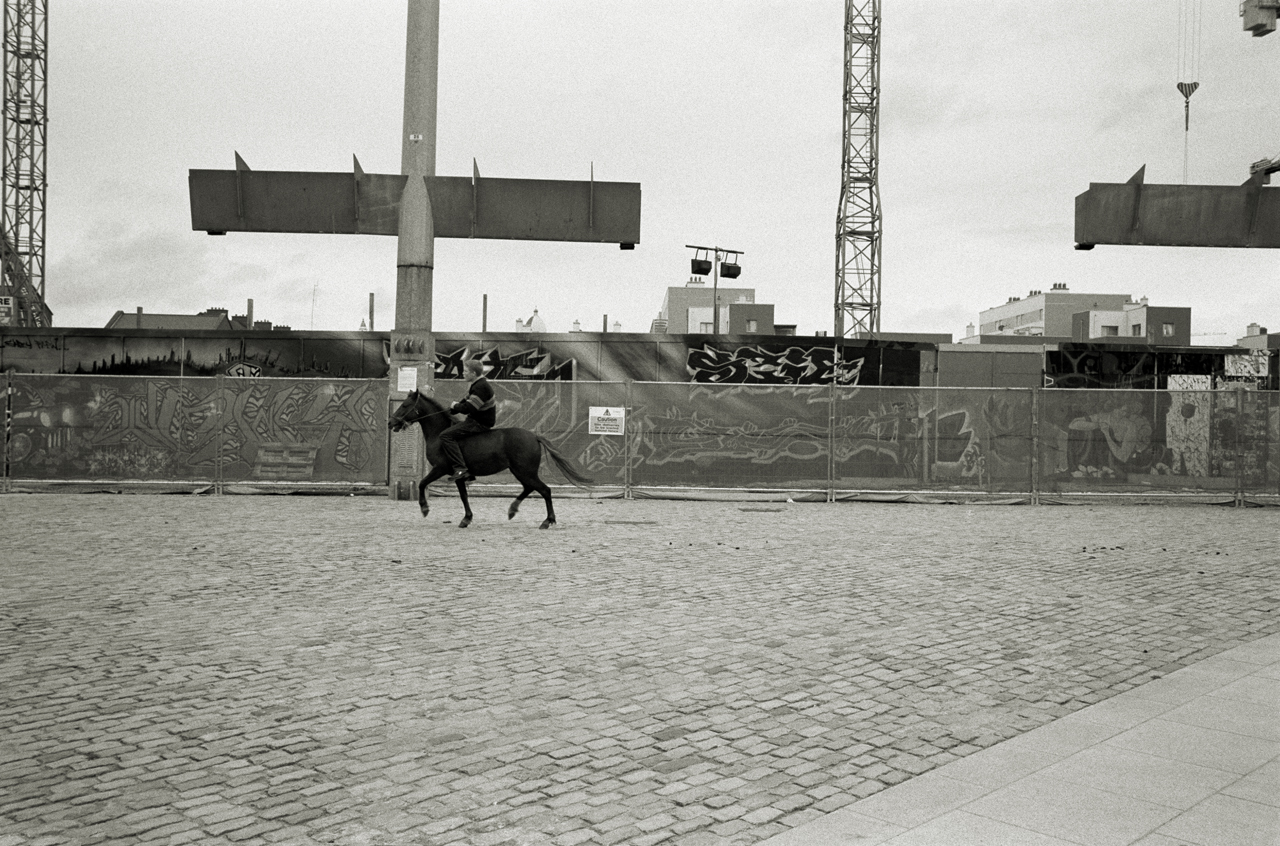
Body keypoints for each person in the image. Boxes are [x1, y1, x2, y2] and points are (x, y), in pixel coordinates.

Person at [440, 359, 495, 483]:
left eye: (465, 371)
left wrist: (456, 407)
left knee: (445, 436)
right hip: (475, 420)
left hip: (479, 423)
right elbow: (465, 402)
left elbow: (469, 408)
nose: (463, 373)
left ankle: (461, 469)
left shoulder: (481, 387)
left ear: (473, 373)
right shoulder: (477, 384)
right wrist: (451, 410)